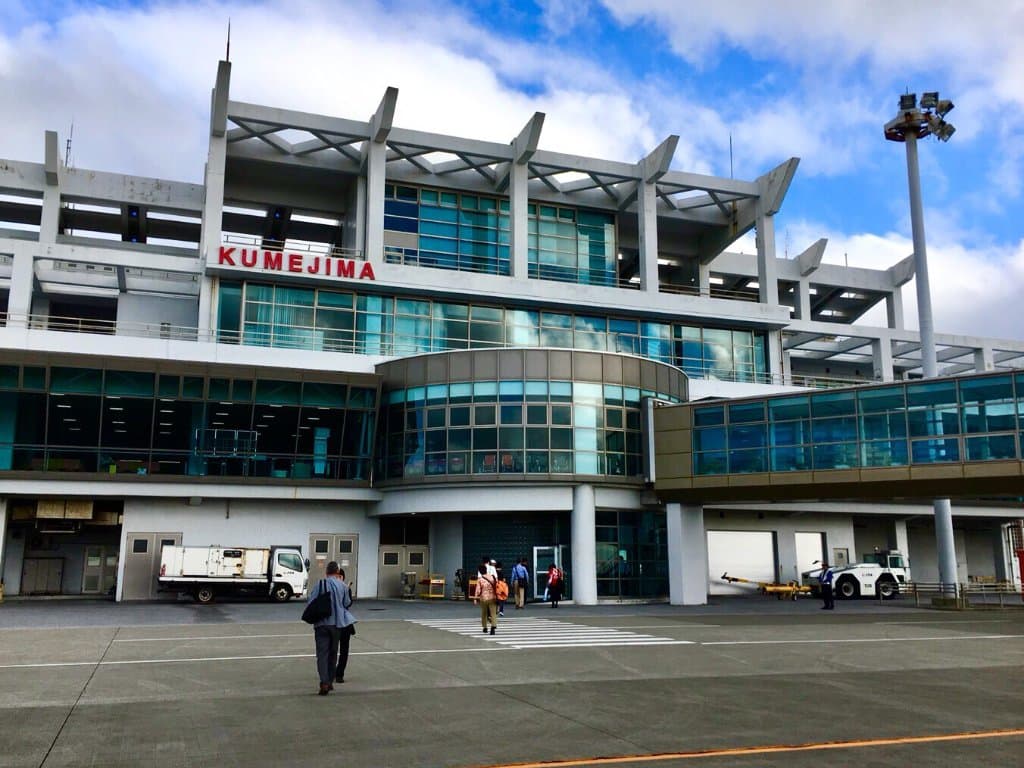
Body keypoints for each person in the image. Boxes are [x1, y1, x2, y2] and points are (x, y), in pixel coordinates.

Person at [305, 560, 357, 695]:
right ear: (338, 572)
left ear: (326, 572)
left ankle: (323, 682)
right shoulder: (343, 586)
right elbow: (347, 603)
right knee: (333, 653)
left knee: (322, 654)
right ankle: (329, 680)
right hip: (337, 624)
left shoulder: (320, 584)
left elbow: (311, 601)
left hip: (321, 624)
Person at [473, 563, 498, 635]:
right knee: (493, 613)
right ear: (486, 570)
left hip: (483, 598)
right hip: (493, 597)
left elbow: (478, 590)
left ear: (480, 572)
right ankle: (493, 627)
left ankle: (485, 627)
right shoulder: (492, 577)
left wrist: (475, 598)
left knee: (484, 613)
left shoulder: (480, 579)